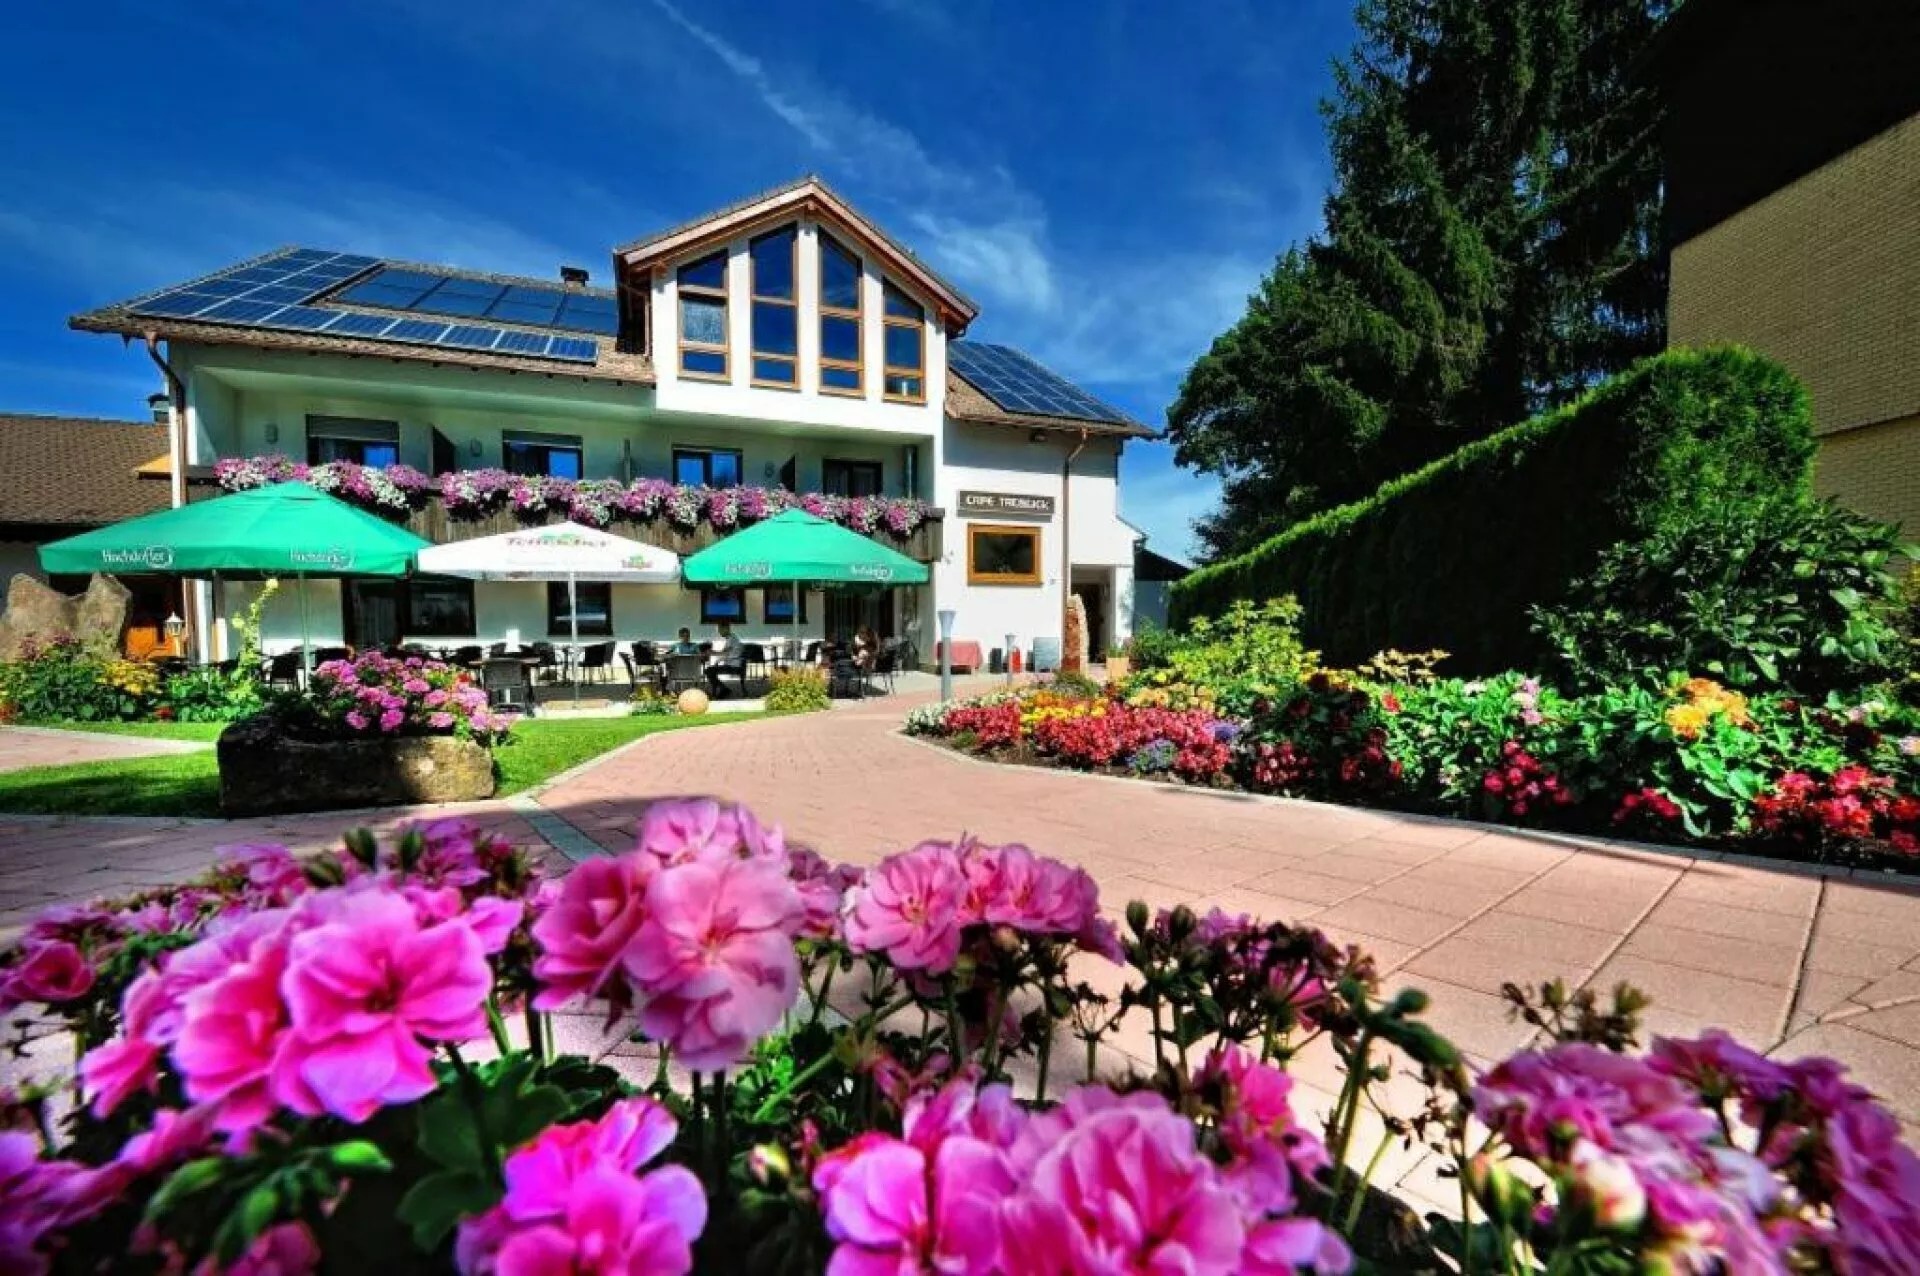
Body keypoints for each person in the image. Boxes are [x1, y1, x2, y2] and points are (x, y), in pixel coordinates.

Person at [706, 621, 746, 697]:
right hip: (732, 664)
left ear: (726, 628)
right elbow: (725, 653)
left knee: (709, 671)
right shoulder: (731, 638)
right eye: (718, 630)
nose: (719, 632)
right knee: (710, 670)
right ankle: (723, 689)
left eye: (720, 630)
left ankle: (724, 689)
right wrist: (716, 657)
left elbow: (726, 653)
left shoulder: (732, 639)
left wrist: (712, 653)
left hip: (734, 666)